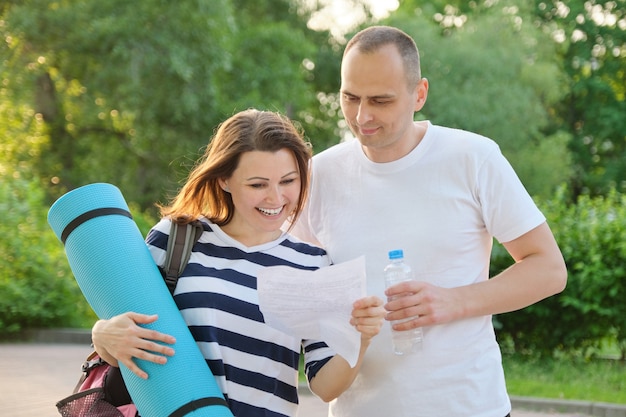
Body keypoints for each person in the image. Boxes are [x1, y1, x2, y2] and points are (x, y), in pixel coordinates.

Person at [290, 26, 568, 417]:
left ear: (419, 93)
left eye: (380, 100)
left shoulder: (473, 158)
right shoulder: (318, 175)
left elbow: (549, 270)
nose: (361, 115)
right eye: (349, 97)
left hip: (471, 407)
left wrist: (454, 300)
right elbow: (296, 287)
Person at [91, 108, 385, 417]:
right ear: (225, 180)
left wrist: (360, 338)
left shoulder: (311, 263)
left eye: (288, 180)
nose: (275, 198)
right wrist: (102, 334)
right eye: (258, 185)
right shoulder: (177, 238)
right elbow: (127, 330)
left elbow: (325, 385)